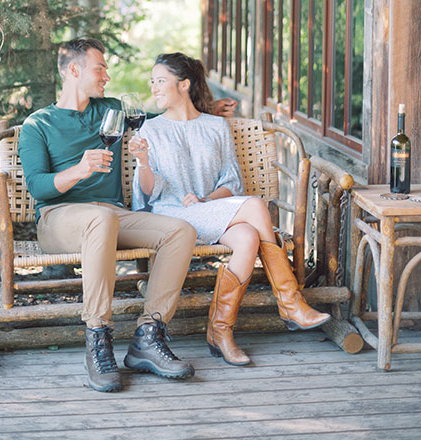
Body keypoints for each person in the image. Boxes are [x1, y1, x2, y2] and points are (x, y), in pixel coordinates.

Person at [18, 38, 236, 393]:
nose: (107, 74)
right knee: (101, 219)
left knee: (179, 230)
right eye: (100, 67)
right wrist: (78, 170)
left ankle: (148, 337)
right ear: (74, 70)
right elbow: (38, 187)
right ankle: (98, 338)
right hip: (59, 219)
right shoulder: (39, 123)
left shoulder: (112, 110)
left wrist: (211, 109)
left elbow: (163, 116)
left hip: (112, 217)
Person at [129, 52, 331, 367]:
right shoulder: (149, 130)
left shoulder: (215, 126)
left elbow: (232, 180)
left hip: (209, 211)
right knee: (254, 206)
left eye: (160, 81)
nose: (153, 87)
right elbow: (147, 194)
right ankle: (291, 303)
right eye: (152, 81)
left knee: (249, 236)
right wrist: (142, 162)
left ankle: (220, 331)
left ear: (184, 84)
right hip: (171, 218)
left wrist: (207, 199)